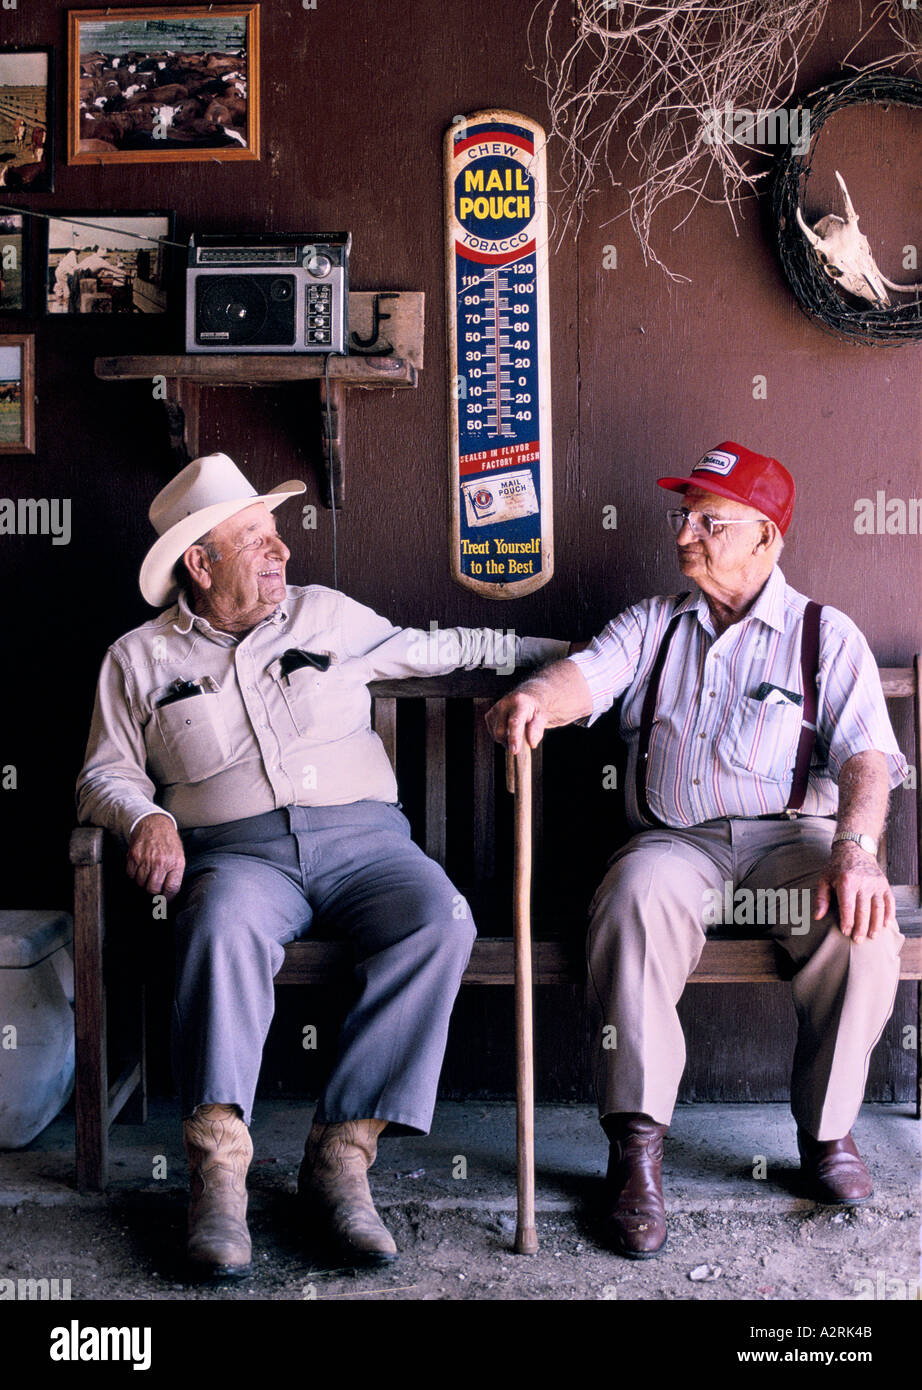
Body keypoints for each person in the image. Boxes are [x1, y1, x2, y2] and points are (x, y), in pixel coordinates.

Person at [77, 452, 566, 1279]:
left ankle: (342, 1158)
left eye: (277, 537)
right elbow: (105, 771)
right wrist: (147, 815)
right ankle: (219, 1179)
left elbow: (437, 649)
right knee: (219, 922)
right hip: (239, 861)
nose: (282, 554)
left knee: (440, 919)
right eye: (259, 540)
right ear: (201, 563)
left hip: (368, 848)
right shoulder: (138, 659)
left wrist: (581, 663)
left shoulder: (325, 617)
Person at [486, 440, 907, 1259]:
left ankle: (826, 1135)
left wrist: (854, 850)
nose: (686, 535)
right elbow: (588, 677)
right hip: (677, 846)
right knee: (636, 900)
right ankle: (637, 1152)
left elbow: (865, 757)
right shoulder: (653, 622)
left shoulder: (825, 635)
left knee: (861, 932)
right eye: (684, 517)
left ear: (767, 538)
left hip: (792, 846)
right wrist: (537, 698)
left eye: (710, 521)